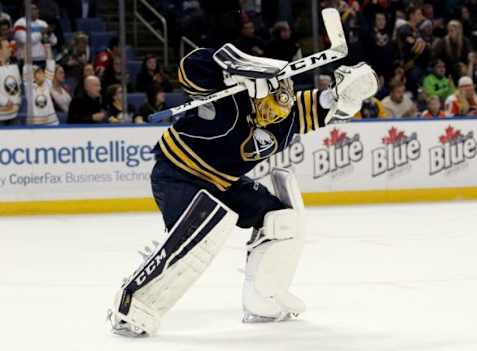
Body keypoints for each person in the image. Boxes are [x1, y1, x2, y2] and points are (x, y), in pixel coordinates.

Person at [108, 45, 378, 336]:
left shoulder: (286, 115)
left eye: (280, 106)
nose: (273, 113)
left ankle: (264, 299)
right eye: (269, 103)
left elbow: (324, 105)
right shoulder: (227, 100)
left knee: (282, 218)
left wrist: (343, 95)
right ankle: (132, 306)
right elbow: (190, 66)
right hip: (179, 176)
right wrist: (232, 72)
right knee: (202, 229)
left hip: (223, 182)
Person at [24, 44, 58, 125]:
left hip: (51, 123)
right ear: (33, 77)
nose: (42, 74)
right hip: (34, 125)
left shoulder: (47, 84)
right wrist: (26, 51)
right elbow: (26, 67)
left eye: (42, 72)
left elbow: (50, 65)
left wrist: (48, 49)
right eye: (38, 73)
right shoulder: (29, 88)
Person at [0, 38, 21, 126]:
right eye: (7, 47)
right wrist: (4, 101)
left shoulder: (13, 66)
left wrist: (18, 101)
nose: (10, 49)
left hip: (14, 114)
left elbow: (18, 86)